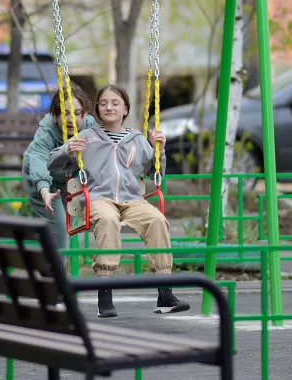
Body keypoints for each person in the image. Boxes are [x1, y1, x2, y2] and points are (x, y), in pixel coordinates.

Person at [48, 84, 189, 318]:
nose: (109, 107)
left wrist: (160, 150)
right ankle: (104, 293)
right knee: (107, 219)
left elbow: (156, 173)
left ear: (125, 109)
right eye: (103, 103)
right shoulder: (87, 137)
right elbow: (52, 163)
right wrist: (67, 150)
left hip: (131, 199)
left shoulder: (137, 139)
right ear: (97, 109)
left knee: (157, 220)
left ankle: (165, 293)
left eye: (115, 103)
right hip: (98, 198)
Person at [22, 84, 97, 251]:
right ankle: (55, 268)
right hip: (43, 182)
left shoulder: (90, 127)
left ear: (85, 113)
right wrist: (44, 191)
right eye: (65, 113)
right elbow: (38, 158)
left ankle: (58, 266)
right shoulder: (47, 129)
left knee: (70, 231)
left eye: (77, 113)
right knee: (60, 231)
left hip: (70, 180)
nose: (71, 119)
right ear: (55, 115)